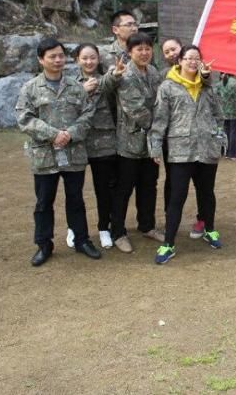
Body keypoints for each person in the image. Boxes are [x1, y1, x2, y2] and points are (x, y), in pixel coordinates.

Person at [15, 37, 101, 266]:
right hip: (45, 155)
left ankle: (82, 240)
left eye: (61, 55)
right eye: (52, 56)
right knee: (44, 202)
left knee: (76, 199)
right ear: (41, 59)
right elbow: (24, 118)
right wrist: (53, 134)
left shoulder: (75, 87)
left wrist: (70, 133)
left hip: (73, 153)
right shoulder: (30, 88)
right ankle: (44, 245)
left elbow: (88, 114)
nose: (57, 60)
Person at [148, 45, 224, 264]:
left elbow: (218, 115)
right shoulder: (168, 87)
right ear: (180, 61)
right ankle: (168, 243)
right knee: (177, 196)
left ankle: (209, 229)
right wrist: (155, 146)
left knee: (207, 193)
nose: (193, 62)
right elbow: (160, 119)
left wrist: (219, 138)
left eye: (197, 58)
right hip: (180, 151)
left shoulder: (207, 86)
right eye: (189, 58)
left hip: (206, 149)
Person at [109, 32, 164, 253]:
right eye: (139, 49)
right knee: (124, 189)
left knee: (149, 186)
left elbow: (161, 101)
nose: (144, 53)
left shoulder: (153, 72)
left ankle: (147, 225)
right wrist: (161, 124)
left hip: (150, 144)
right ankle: (118, 232)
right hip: (129, 143)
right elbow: (135, 109)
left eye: (147, 48)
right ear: (130, 52)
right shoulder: (126, 74)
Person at [72, 43, 126, 249]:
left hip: (104, 142)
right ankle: (74, 228)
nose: (89, 62)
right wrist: (81, 91)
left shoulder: (105, 78)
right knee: (73, 190)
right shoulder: (69, 83)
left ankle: (104, 227)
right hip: (77, 141)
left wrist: (116, 73)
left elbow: (109, 81)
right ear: (77, 59)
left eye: (93, 57)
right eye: (84, 58)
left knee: (104, 189)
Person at [216, 73, 236, 160]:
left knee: (226, 132)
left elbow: (216, 94)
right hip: (234, 111)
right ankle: (233, 154)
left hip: (224, 111)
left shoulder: (220, 83)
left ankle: (226, 152)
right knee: (233, 133)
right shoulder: (235, 82)